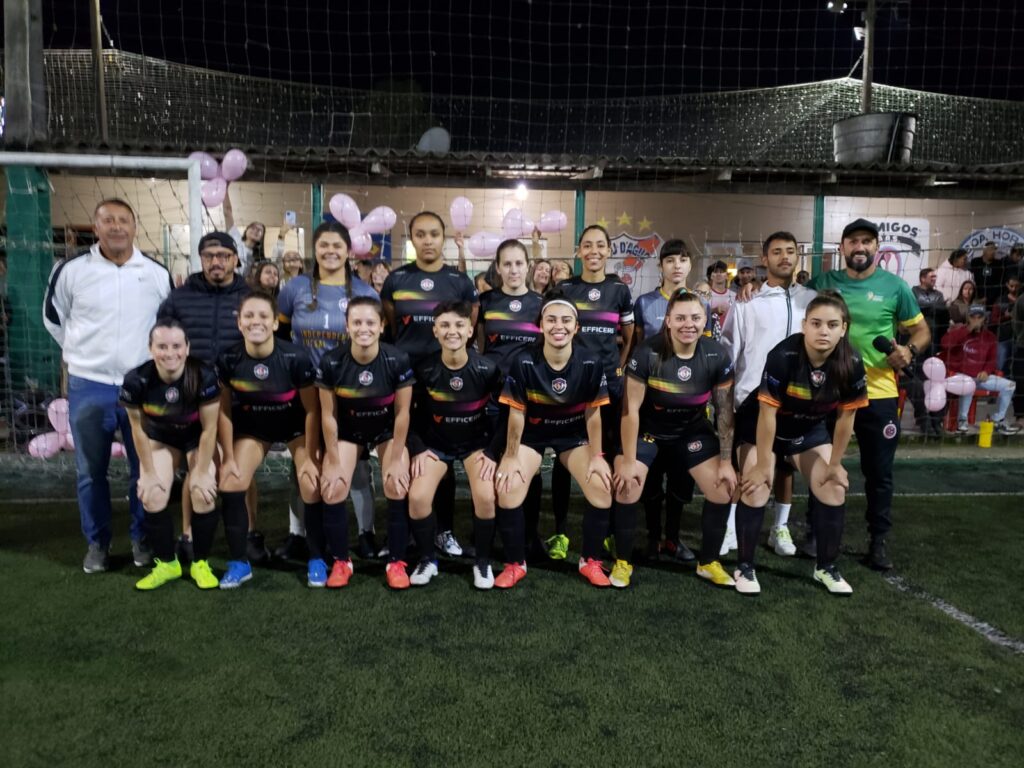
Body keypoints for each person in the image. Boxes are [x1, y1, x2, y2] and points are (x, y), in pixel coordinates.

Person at [43, 198, 172, 574]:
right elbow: (53, 318)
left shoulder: (155, 273)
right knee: (89, 471)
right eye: (107, 221)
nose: (116, 227)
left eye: (123, 221)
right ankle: (97, 543)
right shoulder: (71, 270)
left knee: (146, 469)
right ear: (95, 229)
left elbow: (165, 324)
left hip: (142, 386)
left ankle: (142, 539)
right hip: (89, 385)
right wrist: (81, 353)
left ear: (135, 227)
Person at [805, 218, 930, 570]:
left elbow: (921, 330)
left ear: (876, 247)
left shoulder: (895, 287)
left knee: (878, 471)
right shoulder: (824, 283)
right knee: (821, 461)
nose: (860, 247)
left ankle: (878, 542)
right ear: (842, 248)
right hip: (827, 392)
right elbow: (790, 302)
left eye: (867, 242)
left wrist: (909, 351)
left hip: (878, 392)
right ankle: (814, 532)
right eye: (853, 241)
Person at [735, 293, 868, 595]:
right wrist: (763, 464)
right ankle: (744, 566)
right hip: (761, 426)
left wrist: (835, 464)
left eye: (832, 325)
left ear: (843, 328)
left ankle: (826, 568)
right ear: (804, 325)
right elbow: (767, 414)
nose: (824, 331)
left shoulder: (852, 362)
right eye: (817, 323)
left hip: (807, 431)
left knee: (832, 486)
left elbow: (846, 420)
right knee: (757, 486)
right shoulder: (783, 356)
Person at [614, 290, 737, 589]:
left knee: (723, 488)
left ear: (705, 320)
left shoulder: (716, 354)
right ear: (667, 321)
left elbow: (724, 412)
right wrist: (629, 461)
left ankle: (708, 562)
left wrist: (725, 462)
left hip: (691, 433)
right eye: (680, 317)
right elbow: (630, 411)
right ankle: (622, 562)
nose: (688, 324)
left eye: (695, 317)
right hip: (649, 431)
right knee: (626, 485)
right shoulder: (647, 352)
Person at [157, 232, 264, 563]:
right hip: (192, 399)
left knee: (240, 470)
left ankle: (249, 534)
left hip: (240, 398)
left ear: (235, 259)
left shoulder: (251, 297)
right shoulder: (179, 298)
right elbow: (165, 344)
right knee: (198, 466)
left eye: (223, 255)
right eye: (209, 256)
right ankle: (188, 535)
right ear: (200, 259)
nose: (216, 261)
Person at [496, 292, 613, 588]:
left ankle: (590, 560)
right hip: (533, 435)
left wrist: (598, 457)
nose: (558, 326)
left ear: (576, 327)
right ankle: (514, 563)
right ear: (541, 325)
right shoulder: (523, 361)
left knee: (601, 488)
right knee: (507, 489)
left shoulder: (590, 362)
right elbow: (516, 414)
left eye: (565, 320)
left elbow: (593, 414)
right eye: (551, 320)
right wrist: (510, 456)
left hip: (572, 435)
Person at [276, 222, 379, 559]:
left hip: (348, 391)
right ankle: (298, 534)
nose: (331, 251)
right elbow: (281, 335)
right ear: (315, 249)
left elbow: (373, 342)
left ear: (349, 251)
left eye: (338, 245)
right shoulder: (295, 288)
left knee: (357, 463)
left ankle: (366, 533)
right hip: (304, 391)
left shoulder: (364, 292)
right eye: (324, 245)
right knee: (303, 462)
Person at [380, 211, 478, 557]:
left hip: (447, 382)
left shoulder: (460, 282)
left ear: (444, 237)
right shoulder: (396, 280)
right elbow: (391, 327)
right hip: (406, 380)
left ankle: (443, 530)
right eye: (420, 234)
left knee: (443, 455)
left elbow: (470, 325)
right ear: (411, 239)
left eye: (434, 234)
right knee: (407, 451)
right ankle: (406, 531)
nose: (427, 240)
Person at [216, 292, 321, 588]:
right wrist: (228, 456)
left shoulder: (295, 357)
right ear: (239, 322)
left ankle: (316, 558)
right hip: (254, 429)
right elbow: (223, 411)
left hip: (295, 427)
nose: (256, 322)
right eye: (248, 316)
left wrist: (311, 457)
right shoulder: (229, 359)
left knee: (311, 482)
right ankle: (239, 563)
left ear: (275, 323)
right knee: (231, 482)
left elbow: (312, 409)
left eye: (263, 316)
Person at [721, 231, 815, 558]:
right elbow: (730, 351)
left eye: (790, 251)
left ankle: (780, 528)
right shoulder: (748, 302)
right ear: (765, 259)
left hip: (799, 399)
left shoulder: (811, 301)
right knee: (749, 467)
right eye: (777, 252)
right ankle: (731, 526)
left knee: (785, 467)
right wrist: (729, 400)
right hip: (753, 398)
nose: (784, 257)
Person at [318, 297, 415, 589]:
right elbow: (328, 415)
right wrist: (333, 460)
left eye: (370, 322)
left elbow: (402, 413)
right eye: (357, 322)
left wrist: (397, 458)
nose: (364, 328)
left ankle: (396, 561)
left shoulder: (397, 359)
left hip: (385, 430)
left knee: (397, 485)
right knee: (333, 488)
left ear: (382, 326)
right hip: (348, 431)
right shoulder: (332, 361)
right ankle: (341, 561)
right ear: (347, 326)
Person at [551, 225, 634, 559]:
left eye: (601, 245)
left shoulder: (619, 289)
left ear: (608, 251)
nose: (595, 251)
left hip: (609, 387)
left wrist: (619, 366)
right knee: (563, 459)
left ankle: (608, 530)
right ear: (578, 250)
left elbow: (629, 333)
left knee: (607, 454)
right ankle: (559, 532)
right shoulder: (565, 288)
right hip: (570, 388)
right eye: (588, 245)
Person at [407, 301, 503, 587]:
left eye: (459, 325)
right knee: (418, 498)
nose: (453, 331)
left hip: (475, 445)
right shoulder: (424, 370)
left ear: (471, 330)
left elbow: (504, 414)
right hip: (435, 445)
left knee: (486, 497)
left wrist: (492, 452)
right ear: (435, 331)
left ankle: (482, 564)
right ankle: (427, 559)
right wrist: (417, 448)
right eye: (445, 325)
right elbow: (410, 414)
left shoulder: (487, 368)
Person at [120, 320, 221, 590]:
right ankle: (167, 564)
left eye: (176, 346)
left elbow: (211, 428)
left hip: (196, 438)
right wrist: (149, 474)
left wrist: (200, 472)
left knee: (202, 491)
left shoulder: (204, 376)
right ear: (151, 349)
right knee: (152, 493)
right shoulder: (136, 380)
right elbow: (138, 432)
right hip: (161, 439)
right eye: (162, 346)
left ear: (187, 349)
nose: (170, 353)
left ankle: (201, 563)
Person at [630, 238, 705, 563]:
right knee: (652, 476)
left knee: (680, 476)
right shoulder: (644, 303)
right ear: (660, 266)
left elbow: (707, 352)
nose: (677, 265)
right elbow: (636, 346)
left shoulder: (700, 305)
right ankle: (652, 538)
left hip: (689, 409)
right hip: (652, 406)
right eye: (670, 260)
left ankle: (673, 538)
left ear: (690, 265)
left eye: (683, 259)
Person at [476, 240, 547, 557]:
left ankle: (530, 537)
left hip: (530, 400)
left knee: (529, 468)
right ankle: (490, 535)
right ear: (498, 266)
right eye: (507, 264)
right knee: (491, 463)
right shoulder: (486, 301)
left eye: (519, 263)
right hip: (493, 399)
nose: (514, 270)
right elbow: (479, 348)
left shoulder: (541, 304)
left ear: (528, 265)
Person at [940, 305, 1020, 435]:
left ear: (984, 319)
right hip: (960, 376)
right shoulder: (958, 331)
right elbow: (945, 344)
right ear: (968, 317)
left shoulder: (990, 337)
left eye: (979, 317)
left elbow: (992, 360)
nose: (976, 320)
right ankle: (962, 421)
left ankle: (997, 420)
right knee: (968, 384)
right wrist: (968, 329)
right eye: (973, 317)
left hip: (980, 377)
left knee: (1010, 385)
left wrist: (987, 371)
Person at [223, 189, 265, 275]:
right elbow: (227, 212)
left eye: (259, 230)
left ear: (262, 237)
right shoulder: (235, 237)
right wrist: (225, 189)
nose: (255, 231)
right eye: (253, 228)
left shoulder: (258, 258)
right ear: (246, 230)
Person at [970, 241, 1006, 307]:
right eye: (991, 249)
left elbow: (1000, 284)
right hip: (975, 300)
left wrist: (987, 298)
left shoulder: (999, 264)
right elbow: (971, 280)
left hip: (993, 301)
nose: (993, 252)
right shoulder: (975, 262)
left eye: (994, 250)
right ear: (984, 250)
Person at [707, 260, 734, 324]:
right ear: (711, 276)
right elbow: (698, 313)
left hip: (729, 333)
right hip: (710, 333)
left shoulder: (734, 295)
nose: (718, 274)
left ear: (727, 276)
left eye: (721, 272)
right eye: (715, 272)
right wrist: (713, 310)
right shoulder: (705, 295)